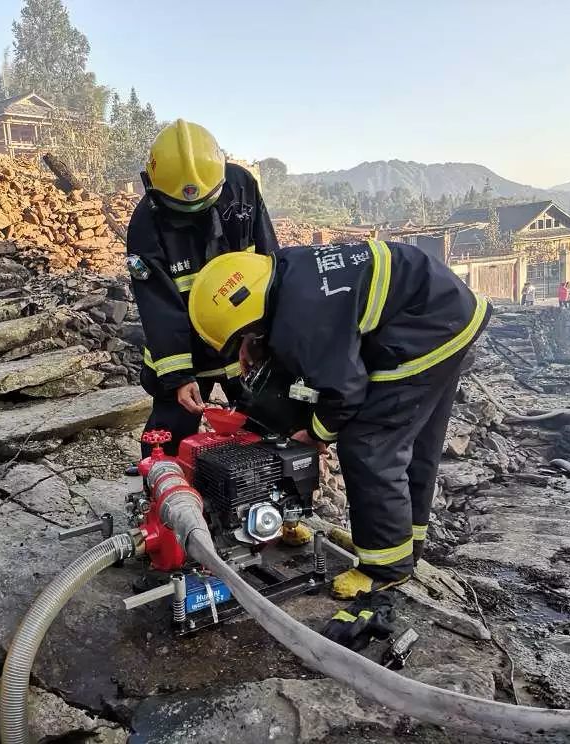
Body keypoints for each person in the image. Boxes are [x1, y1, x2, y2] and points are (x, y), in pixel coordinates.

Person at [187, 239, 492, 649]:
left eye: (242, 336)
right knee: (414, 442)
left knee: (369, 444)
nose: (244, 344)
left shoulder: (304, 320)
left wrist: (315, 433)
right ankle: (405, 542)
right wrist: (254, 345)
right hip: (445, 310)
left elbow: (345, 391)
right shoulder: (282, 273)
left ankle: (386, 567)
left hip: (427, 328)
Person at [126, 119, 278, 463]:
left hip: (245, 344)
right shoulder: (145, 225)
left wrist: (268, 343)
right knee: (169, 437)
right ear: (154, 189)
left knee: (268, 429)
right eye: (183, 212)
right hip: (185, 351)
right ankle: (164, 497)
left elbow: (272, 265)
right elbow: (158, 305)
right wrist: (179, 377)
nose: (197, 218)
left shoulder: (242, 187)